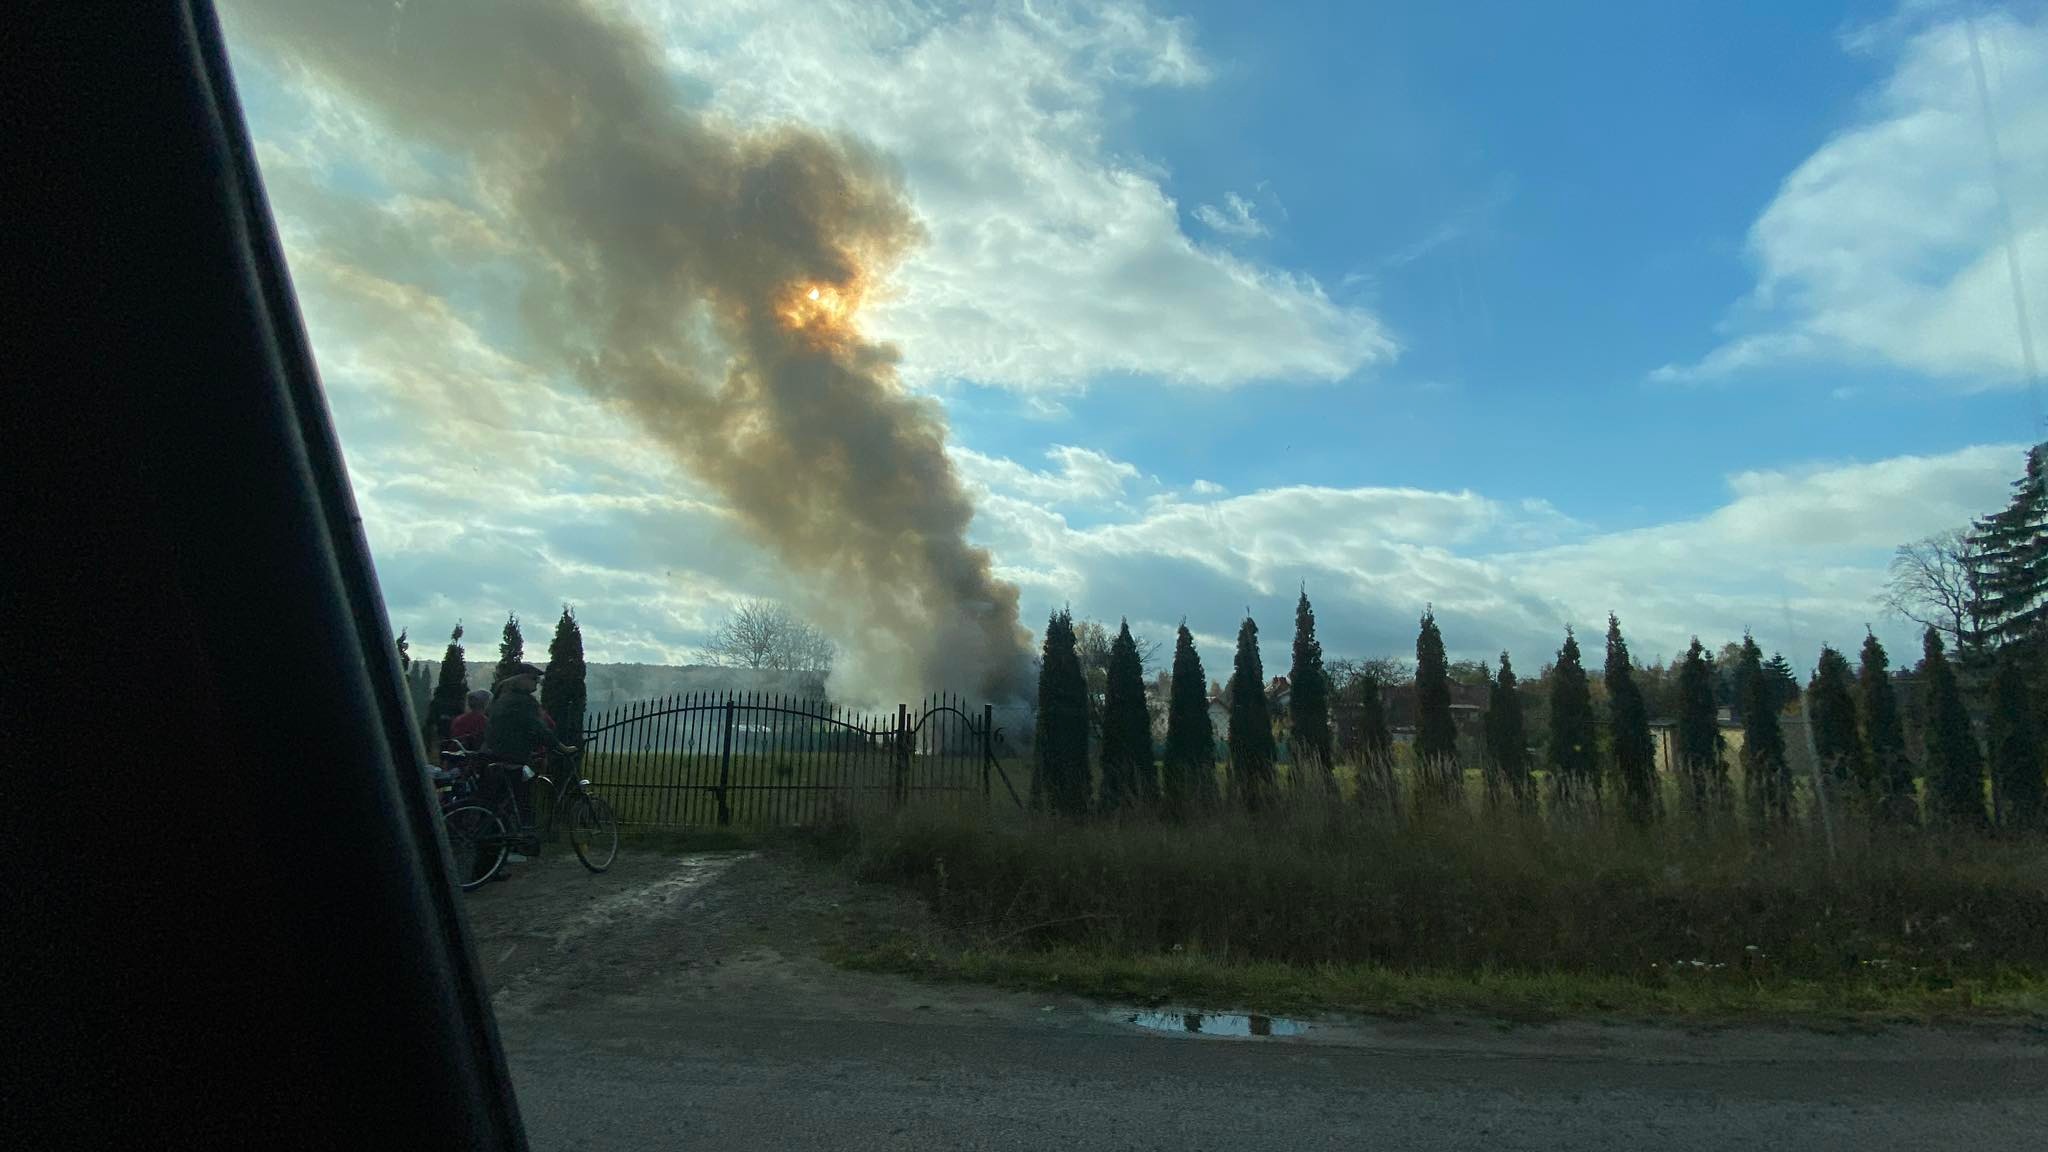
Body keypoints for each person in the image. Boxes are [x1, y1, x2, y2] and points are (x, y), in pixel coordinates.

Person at [482, 662, 574, 835]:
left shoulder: (501, 698)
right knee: (523, 801)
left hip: (494, 754)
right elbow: (538, 728)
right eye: (533, 679)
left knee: (499, 801)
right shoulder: (524, 702)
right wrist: (561, 747)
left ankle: (497, 837)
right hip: (514, 756)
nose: (537, 683)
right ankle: (520, 838)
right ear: (521, 680)